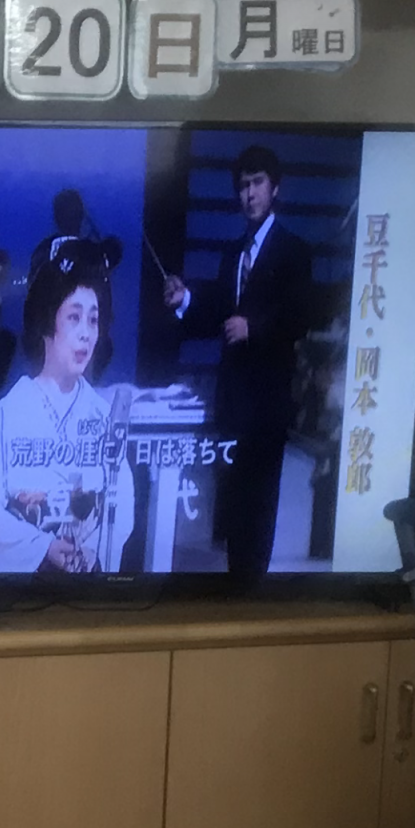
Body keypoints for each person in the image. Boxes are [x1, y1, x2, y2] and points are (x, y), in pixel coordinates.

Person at [164, 145, 312, 580]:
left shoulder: (294, 251)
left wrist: (254, 328)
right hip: (232, 402)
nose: (249, 194)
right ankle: (234, 586)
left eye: (257, 183)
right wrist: (184, 300)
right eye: (243, 186)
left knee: (259, 506)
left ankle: (252, 591)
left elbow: (300, 315)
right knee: (233, 509)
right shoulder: (234, 254)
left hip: (267, 402)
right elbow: (216, 313)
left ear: (275, 188)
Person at [0, 238, 134, 574]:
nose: (86, 334)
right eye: (74, 317)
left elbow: (122, 500)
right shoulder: (12, 410)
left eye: (93, 320)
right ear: (46, 323)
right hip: (26, 580)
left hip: (89, 578)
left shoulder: (101, 413)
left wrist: (91, 550)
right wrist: (43, 547)